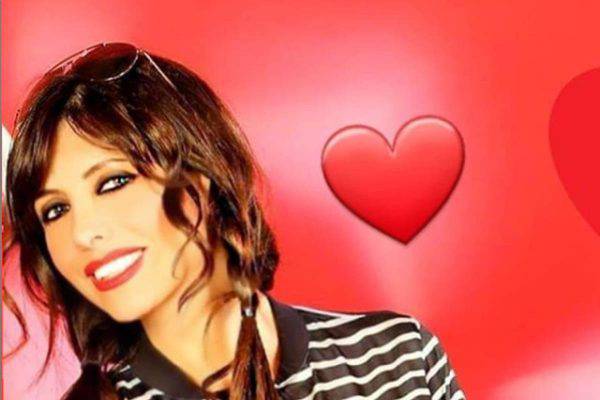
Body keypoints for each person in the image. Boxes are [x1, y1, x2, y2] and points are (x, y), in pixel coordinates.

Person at [3, 42, 466, 400]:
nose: (83, 233)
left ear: (202, 175)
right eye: (54, 211)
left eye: (113, 182)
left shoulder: (399, 358)